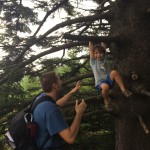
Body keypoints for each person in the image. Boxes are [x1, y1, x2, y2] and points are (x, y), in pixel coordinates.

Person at [33, 71, 87, 150]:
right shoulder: (50, 109)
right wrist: (79, 113)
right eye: (59, 80)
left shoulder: (41, 98)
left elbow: (56, 104)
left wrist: (71, 92)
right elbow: (70, 138)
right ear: (54, 85)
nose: (61, 82)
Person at [89, 41, 132, 111]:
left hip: (109, 79)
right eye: (96, 53)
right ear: (94, 54)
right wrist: (90, 41)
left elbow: (104, 47)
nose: (98, 55)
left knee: (114, 72)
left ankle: (124, 90)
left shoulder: (105, 59)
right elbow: (91, 50)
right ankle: (107, 100)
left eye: (100, 53)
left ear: (103, 54)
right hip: (100, 83)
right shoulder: (93, 62)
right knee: (105, 87)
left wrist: (102, 40)